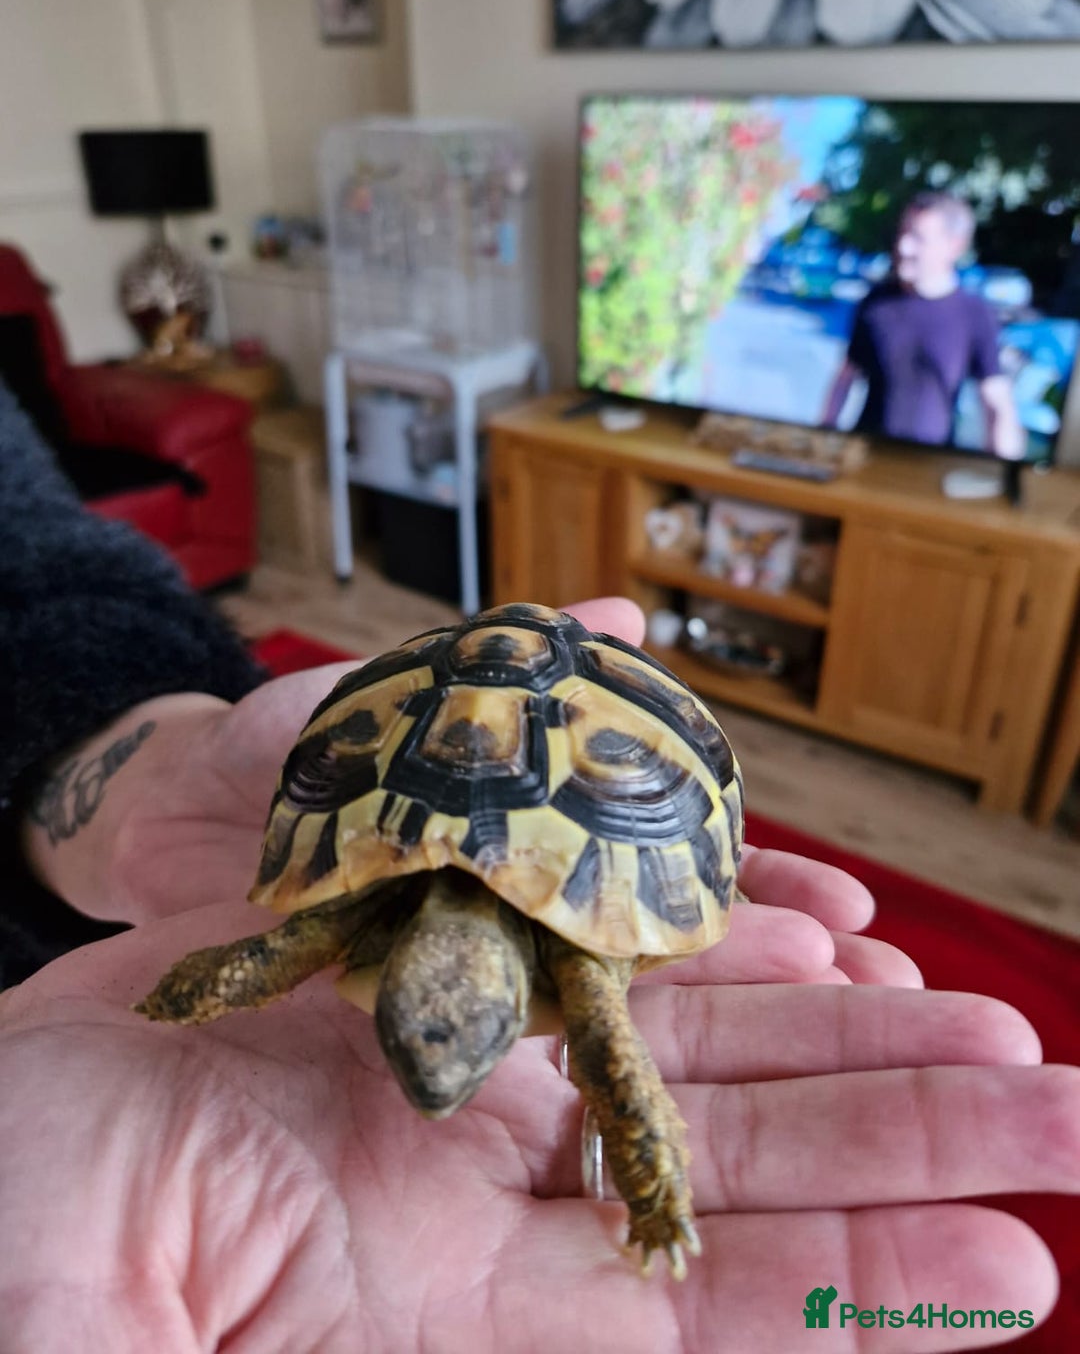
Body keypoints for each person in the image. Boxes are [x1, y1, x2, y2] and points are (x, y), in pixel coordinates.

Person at [1, 387, 1077, 1348]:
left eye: (443, 1044)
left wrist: (654, 1195)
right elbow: (266, 953)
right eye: (431, 1042)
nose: (438, 1081)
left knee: (589, 1024)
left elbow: (36, 552)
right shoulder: (347, 924)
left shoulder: (558, 974)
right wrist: (144, 1020)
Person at [821, 192, 1027, 459]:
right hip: (865, 460)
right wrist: (824, 437)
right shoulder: (877, 303)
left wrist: (1006, 472)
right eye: (903, 234)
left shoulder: (974, 314)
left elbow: (996, 403)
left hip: (930, 470)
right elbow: (845, 379)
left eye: (918, 238)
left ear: (954, 246)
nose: (904, 247)